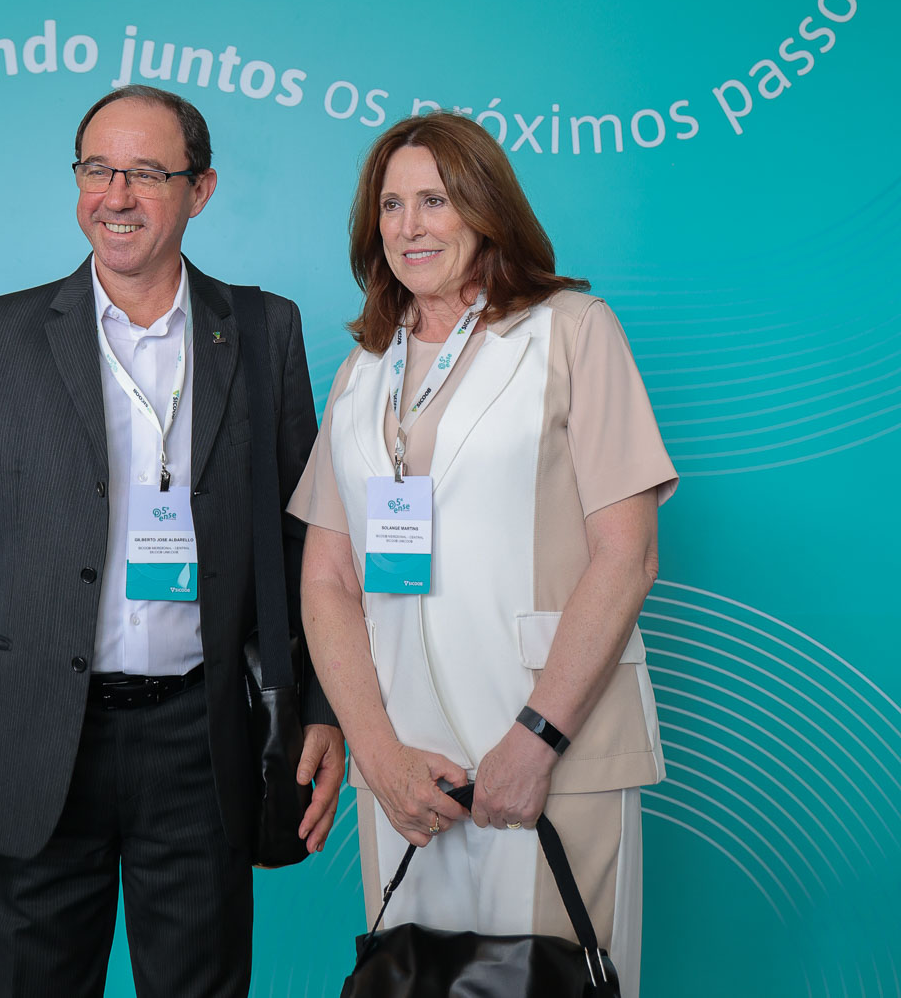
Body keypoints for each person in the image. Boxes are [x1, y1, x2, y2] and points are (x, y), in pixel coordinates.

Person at [0, 84, 345, 998]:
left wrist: (323, 708)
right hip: (36, 745)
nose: (117, 196)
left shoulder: (265, 330)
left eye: (146, 173)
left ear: (200, 190)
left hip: (202, 740)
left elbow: (306, 546)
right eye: (97, 170)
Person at [290, 113, 677, 998]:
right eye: (391, 204)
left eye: (435, 200)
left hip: (550, 745)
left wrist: (536, 740)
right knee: (409, 979)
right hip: (408, 772)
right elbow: (328, 579)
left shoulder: (573, 331)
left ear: (486, 209)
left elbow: (627, 556)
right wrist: (378, 754)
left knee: (550, 980)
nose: (409, 226)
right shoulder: (364, 369)